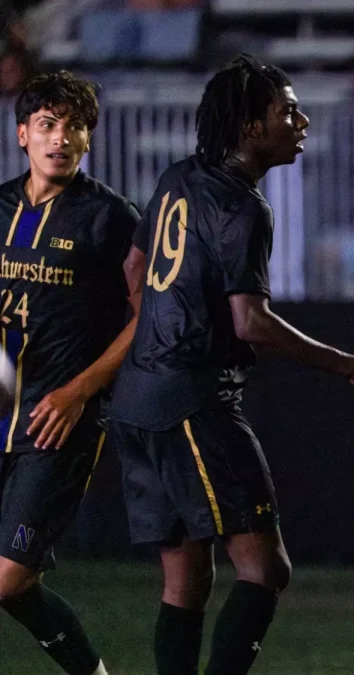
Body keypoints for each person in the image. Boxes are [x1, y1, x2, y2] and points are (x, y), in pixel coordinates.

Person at [107, 55, 354, 675]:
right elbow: (251, 323)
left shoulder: (177, 176)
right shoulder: (244, 208)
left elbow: (134, 273)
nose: (301, 119)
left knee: (184, 578)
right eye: (286, 110)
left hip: (137, 400)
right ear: (248, 127)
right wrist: (349, 365)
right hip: (194, 402)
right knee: (266, 570)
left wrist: (160, 334)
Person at [0, 69, 143, 675]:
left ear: (89, 139)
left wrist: (80, 391)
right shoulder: (1, 207)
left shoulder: (110, 218)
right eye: (48, 125)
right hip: (3, 410)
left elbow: (148, 316)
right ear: (22, 134)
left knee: (7, 581)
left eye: (75, 126)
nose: (60, 138)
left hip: (58, 423)